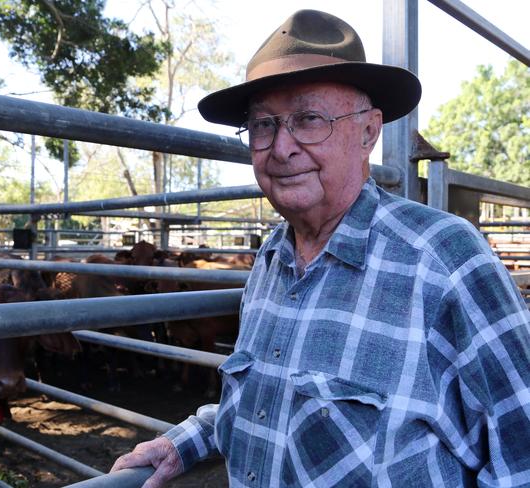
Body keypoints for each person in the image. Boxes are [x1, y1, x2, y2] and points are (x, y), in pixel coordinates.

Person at [111, 9, 530, 487]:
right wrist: (185, 442)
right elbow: (265, 400)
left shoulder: (444, 258)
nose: (281, 146)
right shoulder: (271, 258)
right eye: (263, 126)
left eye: (309, 119)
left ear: (369, 132)